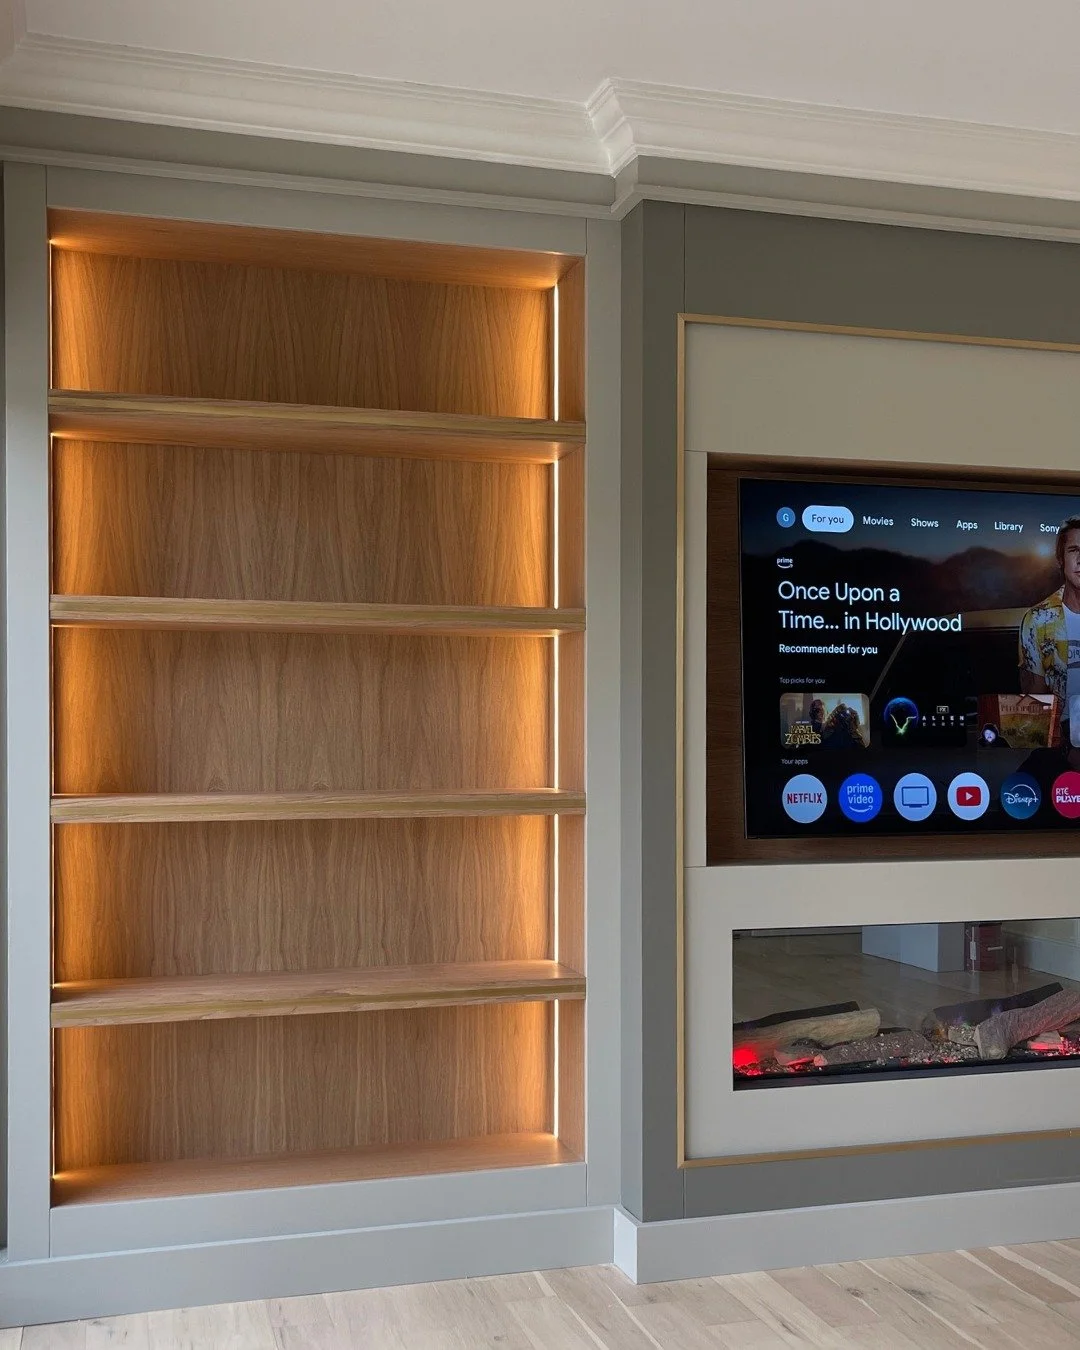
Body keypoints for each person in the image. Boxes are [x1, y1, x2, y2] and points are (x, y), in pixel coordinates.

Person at [1019, 516, 1080, 711]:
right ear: (1060, 559)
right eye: (1074, 550)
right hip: (1058, 736)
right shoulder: (1037, 620)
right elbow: (1033, 701)